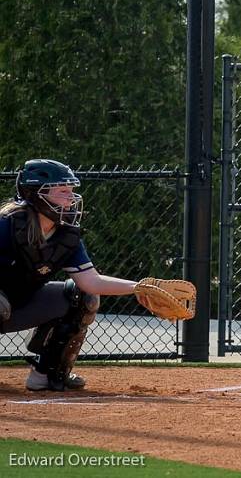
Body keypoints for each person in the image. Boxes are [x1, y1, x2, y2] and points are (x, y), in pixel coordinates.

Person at [0, 159, 143, 391]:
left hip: (20, 303)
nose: (71, 198)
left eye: (72, 191)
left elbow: (92, 281)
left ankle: (46, 374)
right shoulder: (7, 224)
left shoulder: (66, 235)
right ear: (35, 193)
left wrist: (140, 287)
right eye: (63, 191)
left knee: (83, 298)